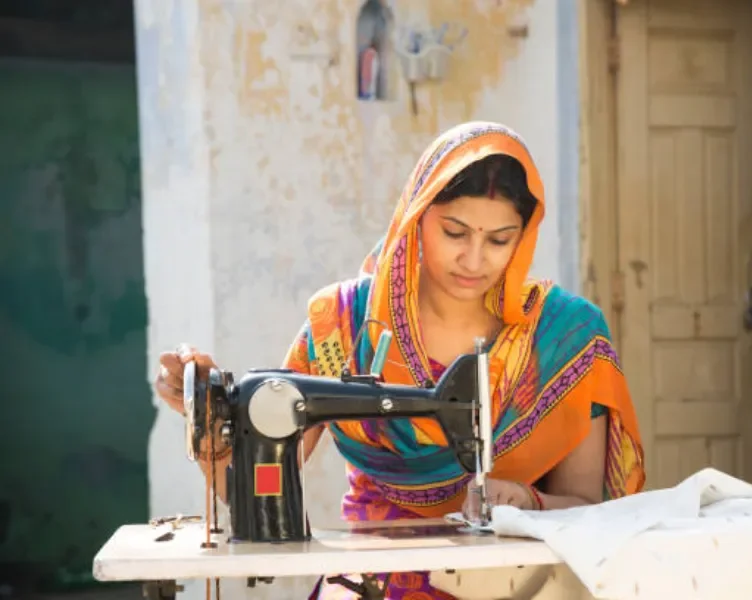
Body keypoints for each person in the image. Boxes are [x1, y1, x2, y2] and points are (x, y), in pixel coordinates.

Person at [155, 121, 645, 600]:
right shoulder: (344, 325)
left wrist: (527, 501)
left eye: (500, 240)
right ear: (417, 215)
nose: (475, 260)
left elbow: (587, 512)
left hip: (510, 583)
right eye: (455, 232)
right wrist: (209, 424)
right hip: (372, 578)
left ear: (524, 236)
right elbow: (252, 493)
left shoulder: (564, 337)